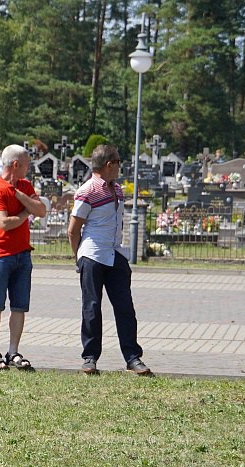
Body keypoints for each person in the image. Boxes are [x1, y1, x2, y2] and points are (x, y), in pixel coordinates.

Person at [67, 144, 152, 376]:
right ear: (109, 165)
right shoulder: (87, 191)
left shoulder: (118, 189)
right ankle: (90, 357)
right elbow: (73, 230)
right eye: (118, 162)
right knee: (92, 307)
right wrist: (79, 257)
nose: (120, 167)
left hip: (114, 254)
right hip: (93, 254)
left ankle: (133, 358)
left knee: (125, 307)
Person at [0, 144, 45, 370]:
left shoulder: (25, 186)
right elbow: (4, 223)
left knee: (19, 306)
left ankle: (13, 351)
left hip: (22, 256)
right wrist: (25, 211)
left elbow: (41, 210)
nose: (29, 169)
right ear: (16, 164)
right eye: (27, 164)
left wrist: (21, 196)